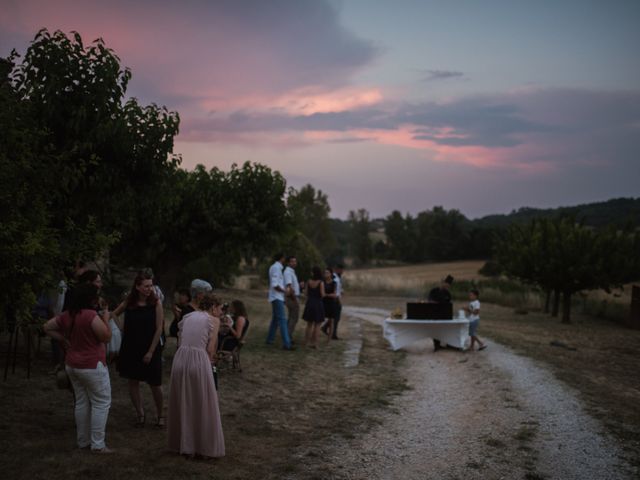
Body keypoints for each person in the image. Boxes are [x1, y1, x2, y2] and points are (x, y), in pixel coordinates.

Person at [43, 284, 113, 453]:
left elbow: (47, 327)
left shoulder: (68, 315)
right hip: (92, 365)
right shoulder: (90, 316)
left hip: (72, 365)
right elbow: (106, 337)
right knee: (101, 402)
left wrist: (63, 340)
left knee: (81, 402)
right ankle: (98, 444)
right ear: (90, 299)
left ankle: (83, 441)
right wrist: (105, 317)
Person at [167, 293, 225, 458]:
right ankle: (201, 447)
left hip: (180, 360)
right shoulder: (213, 320)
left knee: (184, 402)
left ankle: (184, 444)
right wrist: (211, 365)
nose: (221, 313)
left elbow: (179, 341)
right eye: (220, 309)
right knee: (203, 403)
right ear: (213, 307)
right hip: (198, 360)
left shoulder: (187, 316)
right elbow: (210, 349)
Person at [113, 270, 165, 427]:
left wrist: (150, 352)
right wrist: (121, 327)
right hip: (131, 346)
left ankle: (161, 415)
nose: (149, 289)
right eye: (146, 286)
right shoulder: (129, 302)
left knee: (155, 383)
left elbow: (159, 329)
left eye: (151, 285)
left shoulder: (156, 303)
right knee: (133, 380)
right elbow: (113, 314)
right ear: (137, 287)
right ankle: (140, 413)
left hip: (151, 347)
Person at [265, 253, 294, 350]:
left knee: (275, 319)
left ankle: (270, 339)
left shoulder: (276, 267)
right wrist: (285, 291)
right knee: (282, 320)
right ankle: (287, 344)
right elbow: (275, 285)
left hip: (277, 297)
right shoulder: (276, 268)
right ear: (282, 258)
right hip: (277, 297)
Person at [427, 275, 454, 352]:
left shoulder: (448, 293)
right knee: (435, 329)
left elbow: (449, 304)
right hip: (434, 313)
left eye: (449, 285)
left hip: (444, 314)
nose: (447, 286)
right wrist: (435, 303)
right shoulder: (434, 291)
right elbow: (429, 301)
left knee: (446, 329)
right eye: (446, 284)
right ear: (442, 283)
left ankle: (449, 344)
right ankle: (437, 346)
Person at [302, 267, 325, 348]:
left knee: (309, 324)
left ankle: (306, 342)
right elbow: (322, 294)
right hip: (318, 303)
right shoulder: (321, 282)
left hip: (310, 303)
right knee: (317, 325)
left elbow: (306, 293)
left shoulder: (308, 281)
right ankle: (315, 343)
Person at [283, 255, 301, 342]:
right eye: (292, 261)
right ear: (288, 262)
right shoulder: (288, 272)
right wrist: (294, 299)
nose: (294, 263)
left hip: (293, 297)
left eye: (295, 261)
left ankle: (287, 335)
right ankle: (288, 337)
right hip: (291, 298)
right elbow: (289, 287)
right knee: (294, 318)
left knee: (292, 317)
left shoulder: (292, 271)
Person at [321, 268, 338, 342]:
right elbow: (322, 294)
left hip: (331, 303)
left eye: (327, 273)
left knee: (331, 320)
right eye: (325, 273)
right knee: (319, 319)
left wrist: (327, 295)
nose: (326, 274)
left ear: (331, 274)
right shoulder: (322, 282)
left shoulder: (334, 283)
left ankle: (329, 339)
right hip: (323, 302)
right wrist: (327, 295)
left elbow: (334, 294)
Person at [330, 264, 344, 339]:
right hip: (335, 299)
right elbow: (335, 291)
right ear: (337, 269)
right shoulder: (335, 278)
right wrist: (338, 300)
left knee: (335, 318)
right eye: (341, 270)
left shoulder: (338, 278)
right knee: (336, 318)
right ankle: (333, 333)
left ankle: (328, 329)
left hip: (336, 299)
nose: (342, 272)